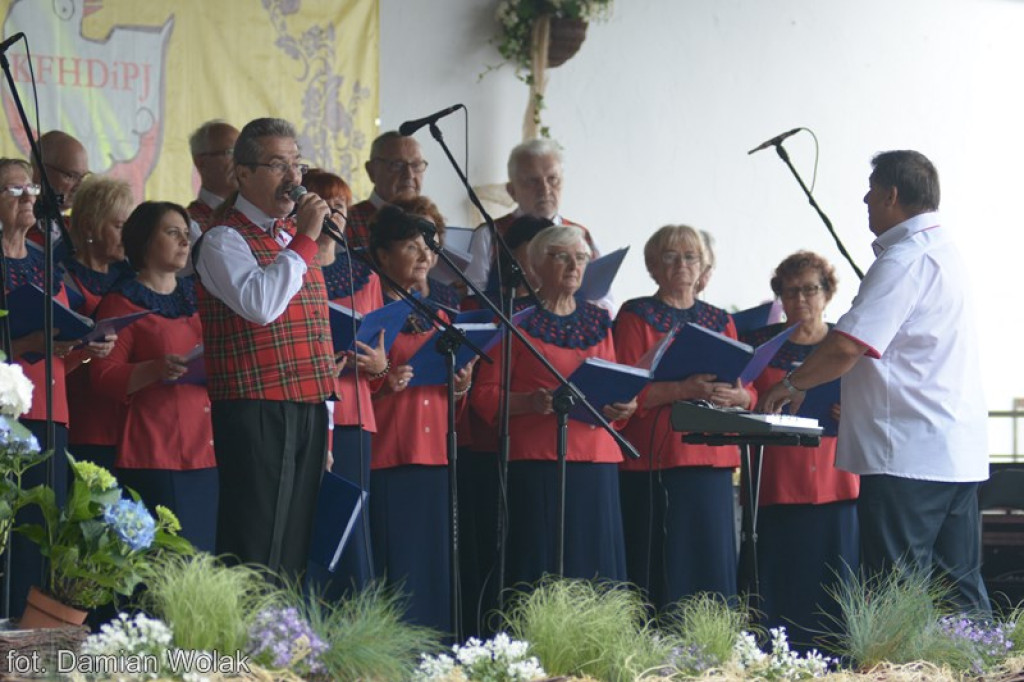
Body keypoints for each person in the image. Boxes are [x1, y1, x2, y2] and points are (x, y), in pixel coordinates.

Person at [759, 150, 990, 615]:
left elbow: (849, 344)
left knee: (894, 594)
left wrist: (793, 383)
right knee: (959, 592)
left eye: (871, 189)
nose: (865, 198)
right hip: (953, 451)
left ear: (891, 194)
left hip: (906, 454)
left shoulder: (903, 260)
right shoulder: (946, 250)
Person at [192, 117, 338, 577]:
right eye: (278, 165)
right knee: (253, 542)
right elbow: (261, 304)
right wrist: (307, 239)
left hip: (307, 405)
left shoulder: (292, 239)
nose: (294, 178)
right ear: (242, 174)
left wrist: (327, 423)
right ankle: (239, 647)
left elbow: (314, 333)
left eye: (297, 164)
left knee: (294, 543)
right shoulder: (222, 238)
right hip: (254, 408)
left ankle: (281, 645)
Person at [471, 224, 635, 589]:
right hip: (539, 460)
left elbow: (614, 384)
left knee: (597, 571)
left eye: (581, 258)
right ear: (534, 265)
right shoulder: (514, 320)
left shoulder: (600, 320)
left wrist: (625, 406)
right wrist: (529, 402)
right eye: (562, 256)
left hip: (597, 459)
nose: (574, 266)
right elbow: (482, 395)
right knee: (543, 568)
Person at [613, 224, 753, 609]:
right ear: (653, 267)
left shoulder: (720, 319)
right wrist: (682, 390)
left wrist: (739, 396)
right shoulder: (635, 315)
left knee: (710, 564)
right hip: (657, 460)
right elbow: (621, 390)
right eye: (670, 257)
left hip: (711, 458)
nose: (681, 265)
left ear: (703, 265)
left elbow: (746, 386)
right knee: (662, 567)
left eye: (690, 256)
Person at [0, 158, 114, 617]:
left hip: (50, 412)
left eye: (30, 187)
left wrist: (83, 349)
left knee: (39, 537)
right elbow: (28, 340)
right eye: (13, 190)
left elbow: (60, 345)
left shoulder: (45, 262)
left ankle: (25, 651)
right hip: (7, 417)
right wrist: (25, 342)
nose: (29, 196)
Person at [741, 251, 859, 649]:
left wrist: (857, 412)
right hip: (778, 478)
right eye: (791, 292)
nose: (801, 299)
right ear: (780, 298)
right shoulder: (760, 345)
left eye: (811, 289)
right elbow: (747, 397)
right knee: (780, 574)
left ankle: (836, 661)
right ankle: (777, 656)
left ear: (827, 293)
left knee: (835, 578)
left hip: (837, 476)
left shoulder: (847, 344)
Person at [368, 203, 474, 634]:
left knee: (433, 561)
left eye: (429, 246)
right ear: (382, 255)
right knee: (397, 561)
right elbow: (344, 386)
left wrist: (462, 384)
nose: (424, 256)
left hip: (436, 455)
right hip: (388, 452)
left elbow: (454, 401)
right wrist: (384, 379)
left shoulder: (443, 316)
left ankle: (436, 655)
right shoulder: (370, 308)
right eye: (411, 246)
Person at [91, 201, 217, 552]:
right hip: (157, 448)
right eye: (172, 232)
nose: (183, 241)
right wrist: (154, 369)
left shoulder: (199, 296)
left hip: (209, 444)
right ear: (145, 240)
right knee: (169, 559)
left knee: (206, 557)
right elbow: (102, 376)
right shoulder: (123, 302)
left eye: (186, 234)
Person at [303, 168, 386, 595]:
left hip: (354, 414)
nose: (335, 213)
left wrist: (376, 365)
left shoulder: (365, 276)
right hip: (307, 406)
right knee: (307, 524)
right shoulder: (293, 268)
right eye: (325, 204)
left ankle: (355, 624)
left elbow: (379, 357)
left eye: (341, 206)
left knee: (350, 526)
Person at [63, 176, 136, 472]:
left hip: (129, 420)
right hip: (84, 417)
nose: (127, 236)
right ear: (89, 227)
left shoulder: (133, 277)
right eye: (119, 227)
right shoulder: (61, 276)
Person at [465, 139, 597, 292]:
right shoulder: (489, 235)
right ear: (512, 190)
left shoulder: (581, 236)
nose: (545, 189)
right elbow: (474, 296)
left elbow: (603, 300)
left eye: (552, 179)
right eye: (533, 181)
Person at [344, 132, 427, 249]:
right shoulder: (346, 222)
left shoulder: (428, 221)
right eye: (397, 164)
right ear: (371, 171)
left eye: (416, 165)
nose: (409, 174)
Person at [187, 120, 240, 231]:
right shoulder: (189, 225)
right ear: (201, 162)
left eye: (243, 152)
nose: (240, 160)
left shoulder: (260, 215)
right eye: (230, 152)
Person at [32, 130, 90, 212]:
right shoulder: (23, 223)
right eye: (71, 176)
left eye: (83, 177)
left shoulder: (75, 223)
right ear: (39, 174)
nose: (80, 186)